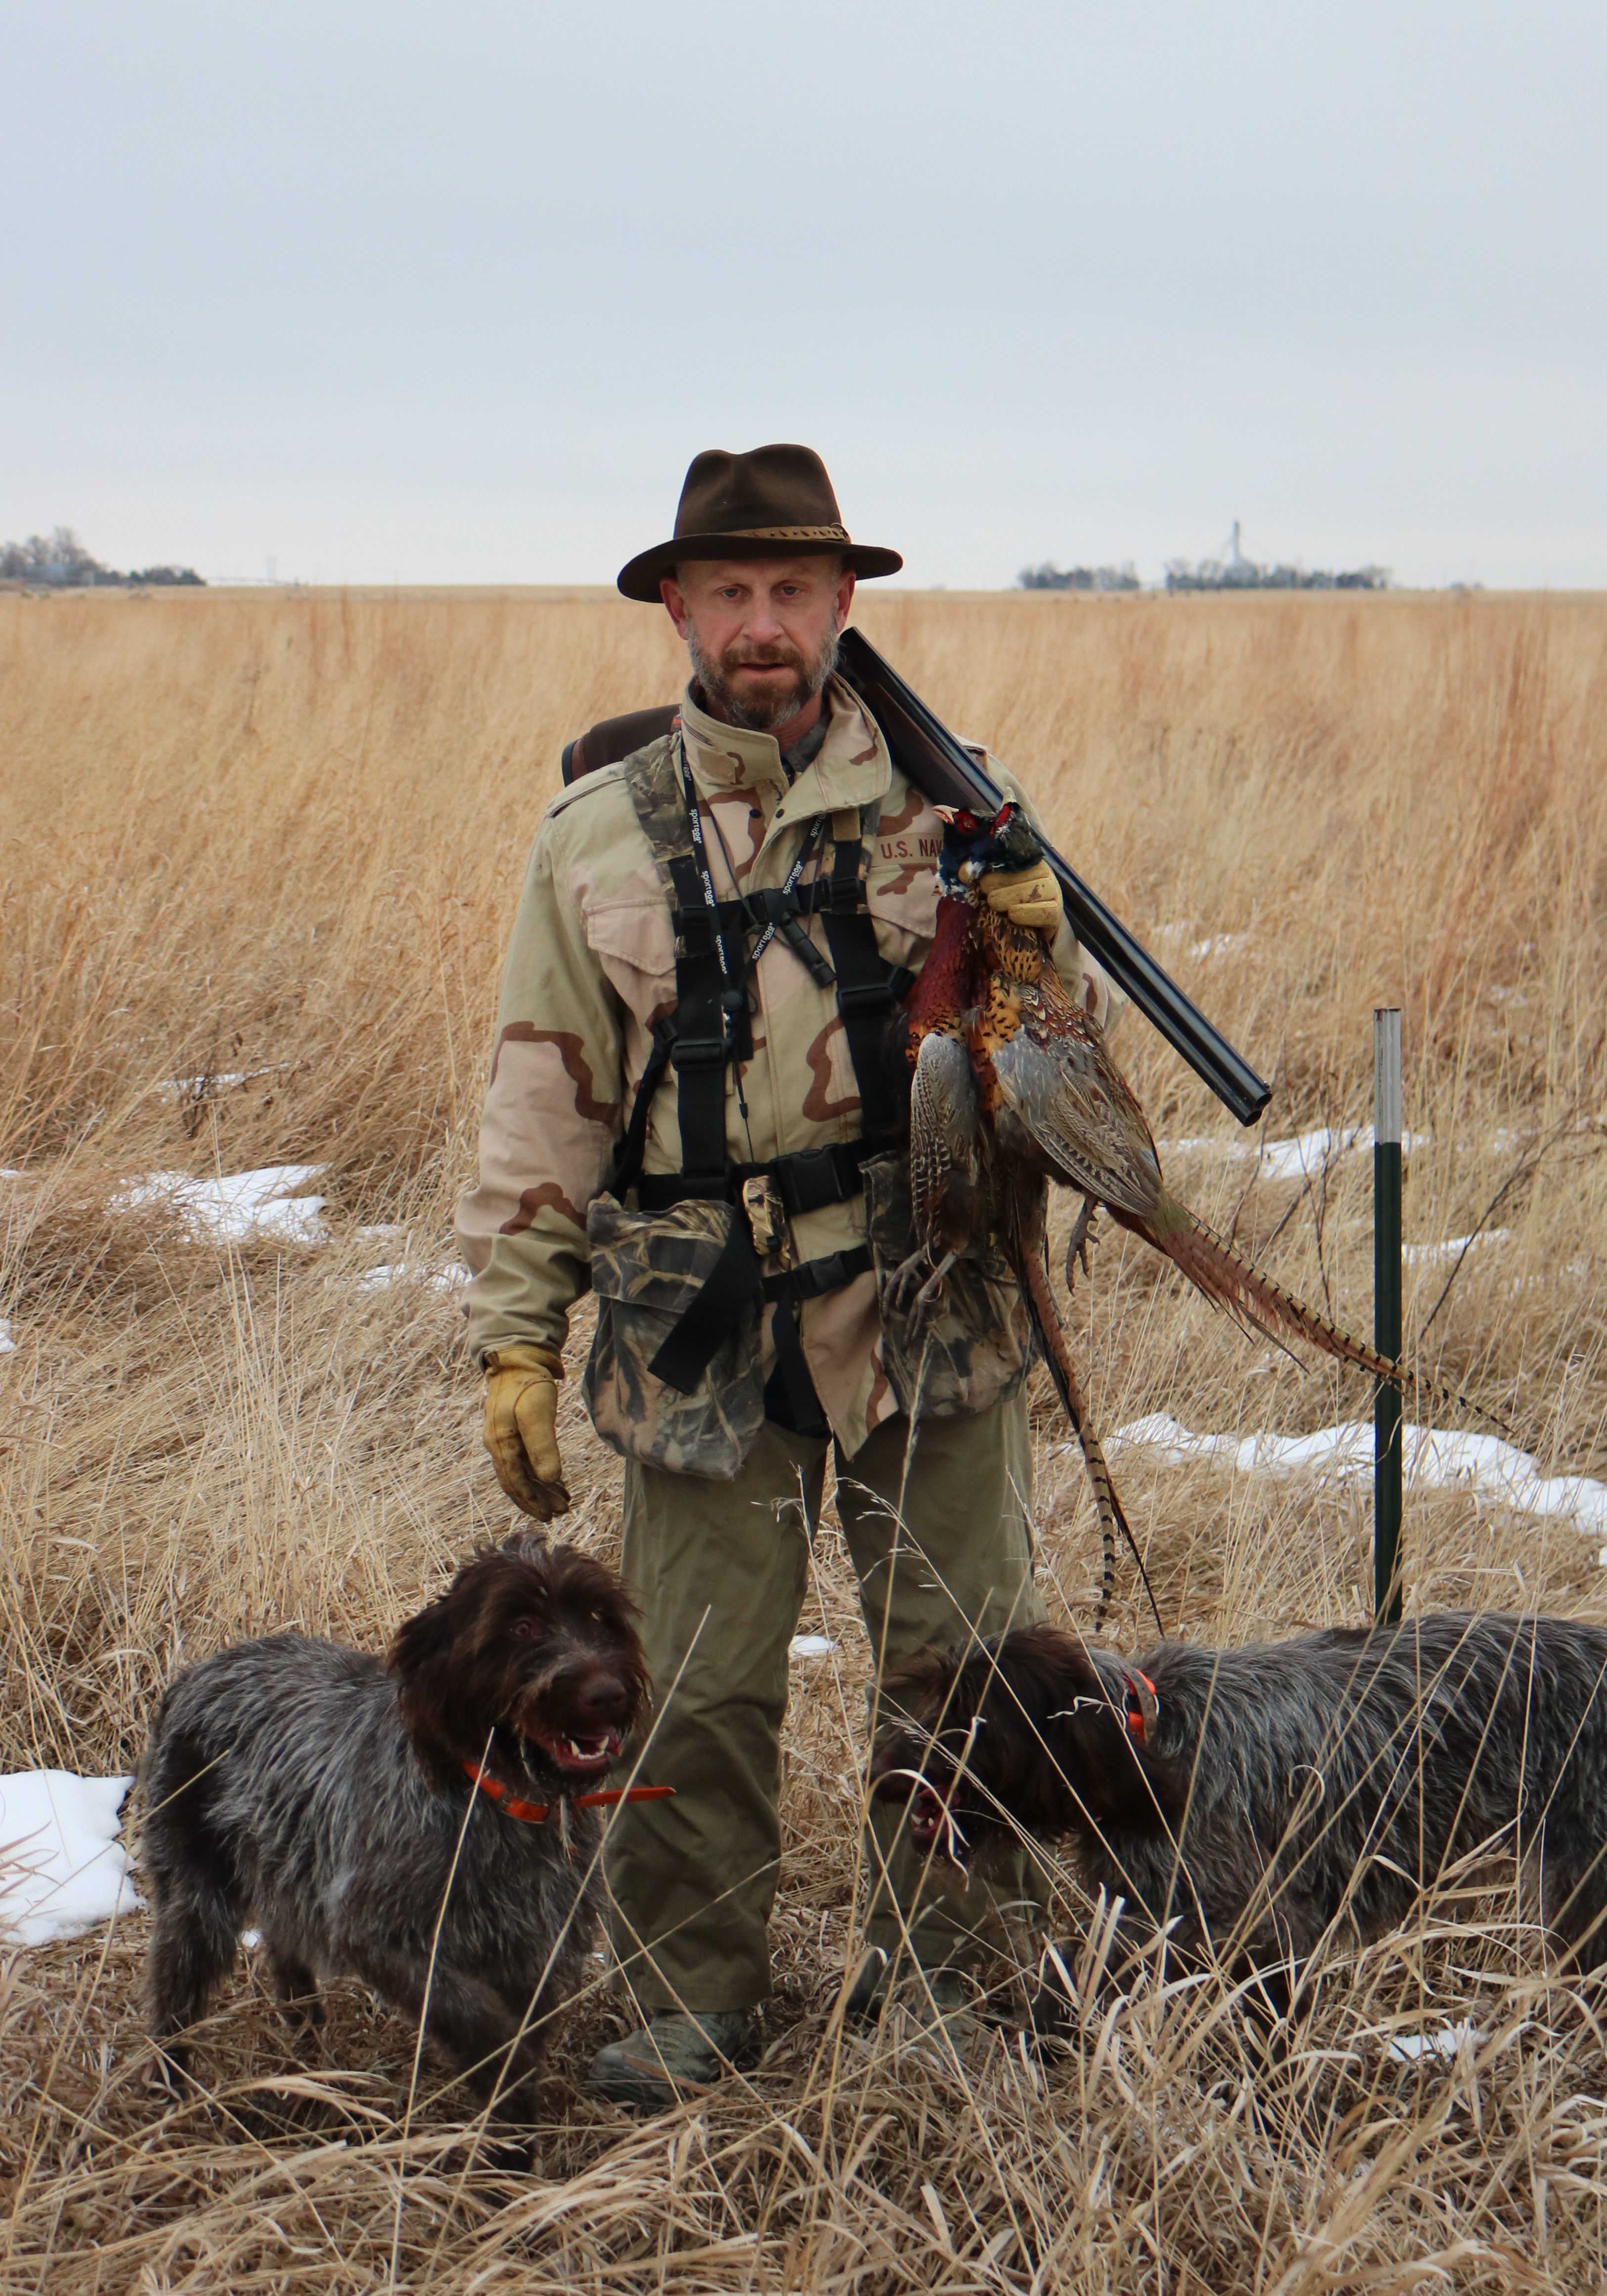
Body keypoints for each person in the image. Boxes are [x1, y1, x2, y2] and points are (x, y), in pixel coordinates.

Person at [456, 443, 1117, 2107]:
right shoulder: (596, 838)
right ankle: (690, 2009)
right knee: (686, 1691)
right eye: (732, 590)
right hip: (699, 1326)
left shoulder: (957, 820)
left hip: (928, 1304)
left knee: (969, 1678)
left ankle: (950, 1999)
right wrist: (516, 1339)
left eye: (795, 590)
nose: (764, 623)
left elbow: (1060, 1082)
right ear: (676, 607)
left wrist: (1040, 950)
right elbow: (547, 1094)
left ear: (844, 605)